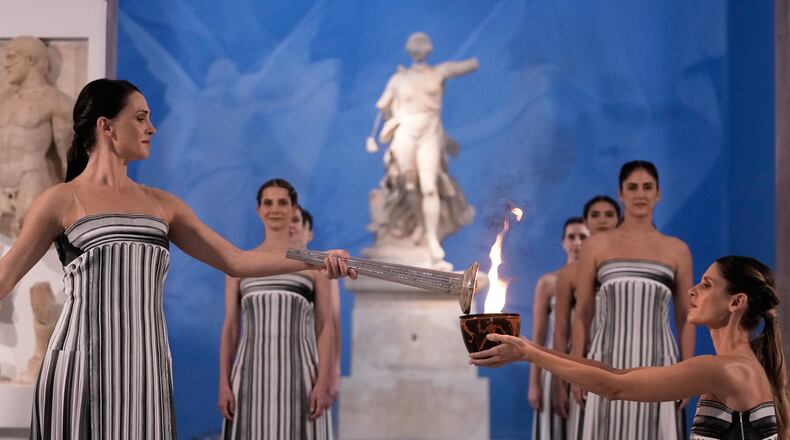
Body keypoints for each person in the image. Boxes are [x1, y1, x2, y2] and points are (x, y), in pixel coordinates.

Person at [0, 79, 353, 439]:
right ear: (105, 127)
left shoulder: (163, 206)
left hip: (146, 366)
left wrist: (316, 259)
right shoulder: (61, 200)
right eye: (140, 118)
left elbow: (237, 260)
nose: (151, 128)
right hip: (80, 363)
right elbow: (6, 275)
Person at [471, 255, 787, 440]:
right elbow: (617, 373)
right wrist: (531, 346)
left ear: (736, 302)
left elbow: (616, 389)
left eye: (706, 284)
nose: (692, 290)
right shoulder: (740, 366)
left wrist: (530, 356)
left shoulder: (723, 369)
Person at [570, 160, 695, 439]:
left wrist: (687, 374)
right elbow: (583, 314)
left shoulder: (677, 250)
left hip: (661, 368)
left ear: (659, 193)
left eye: (648, 187)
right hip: (604, 365)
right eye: (633, 187)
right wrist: (577, 369)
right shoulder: (595, 246)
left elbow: (686, 317)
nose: (641, 194)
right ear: (621, 193)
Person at [218, 181, 336, 439]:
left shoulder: (314, 265)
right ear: (259, 209)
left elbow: (325, 326)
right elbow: (231, 326)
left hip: (302, 377)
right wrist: (224, 383)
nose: (275, 209)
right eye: (268, 203)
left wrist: (324, 381)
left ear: (294, 208)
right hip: (249, 378)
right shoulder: (240, 264)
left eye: (282, 202)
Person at [367, 32, 478, 268]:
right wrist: (385, 127)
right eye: (415, 44)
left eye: (422, 43)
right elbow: (382, 106)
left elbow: (466, 66)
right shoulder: (398, 79)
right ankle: (418, 226)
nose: (419, 47)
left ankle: (430, 239)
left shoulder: (439, 72)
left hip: (429, 130)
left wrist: (478, 57)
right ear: (410, 49)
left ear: (429, 48)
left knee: (429, 186)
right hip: (406, 130)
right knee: (408, 185)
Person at [550, 196, 621, 438]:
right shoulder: (569, 274)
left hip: (630, 358)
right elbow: (560, 332)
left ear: (619, 220)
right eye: (595, 215)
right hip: (588, 362)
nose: (602, 220)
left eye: (609, 214)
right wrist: (560, 383)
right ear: (586, 222)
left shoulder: (629, 266)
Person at [0, 36, 74, 237]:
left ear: (30, 60)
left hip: (31, 179)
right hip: (1, 188)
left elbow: (68, 157)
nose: (6, 65)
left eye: (11, 58)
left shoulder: (55, 101)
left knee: (31, 241)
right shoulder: (3, 102)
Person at [530, 217, 589, 440]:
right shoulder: (548, 282)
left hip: (587, 367)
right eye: (571, 237)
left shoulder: (600, 283)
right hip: (553, 366)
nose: (577, 242)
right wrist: (534, 384)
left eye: (583, 236)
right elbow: (538, 335)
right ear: (563, 242)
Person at [290, 205, 341, 401]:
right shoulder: (264, 266)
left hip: (310, 360)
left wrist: (333, 372)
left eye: (296, 221)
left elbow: (332, 322)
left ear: (309, 232)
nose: (291, 227)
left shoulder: (322, 271)